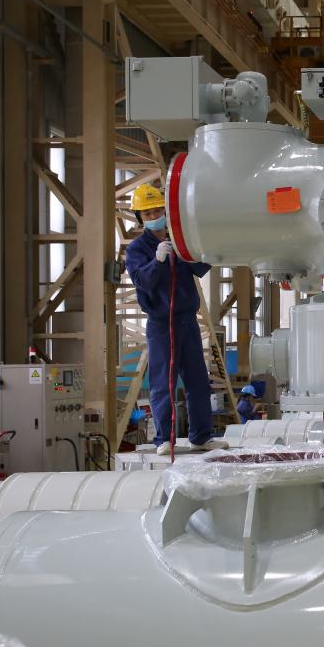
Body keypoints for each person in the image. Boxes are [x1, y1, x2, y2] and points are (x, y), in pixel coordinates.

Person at [124, 183, 226, 455]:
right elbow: (143, 281)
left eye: (157, 211)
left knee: (198, 381)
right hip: (161, 324)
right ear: (140, 218)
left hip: (187, 320)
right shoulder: (137, 249)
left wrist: (192, 249)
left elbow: (203, 267)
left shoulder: (180, 240)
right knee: (163, 383)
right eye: (147, 213)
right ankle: (164, 439)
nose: (154, 216)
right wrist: (157, 261)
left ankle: (201, 437)